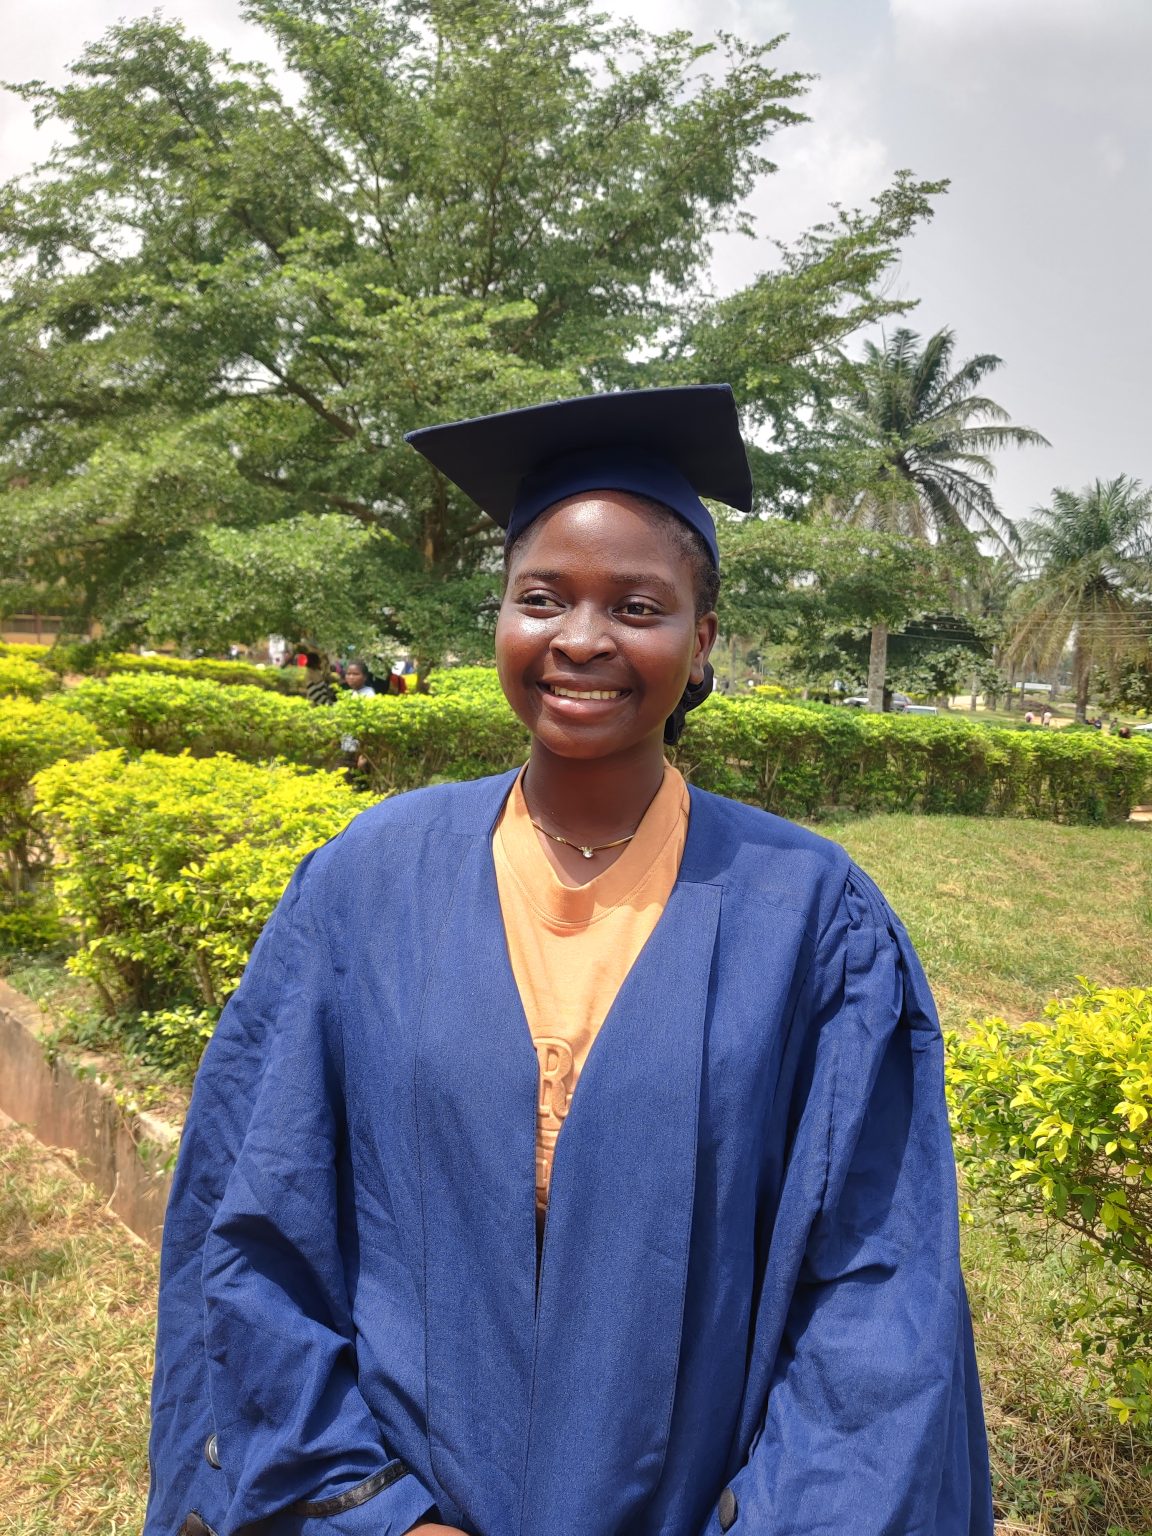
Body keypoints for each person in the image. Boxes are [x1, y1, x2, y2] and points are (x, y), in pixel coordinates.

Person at [146, 386, 992, 1536]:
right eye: (541, 597)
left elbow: (876, 1292)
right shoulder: (366, 881)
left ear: (701, 644)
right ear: (500, 617)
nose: (582, 638)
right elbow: (254, 1214)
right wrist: (374, 1512)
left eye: (637, 606)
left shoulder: (812, 918)